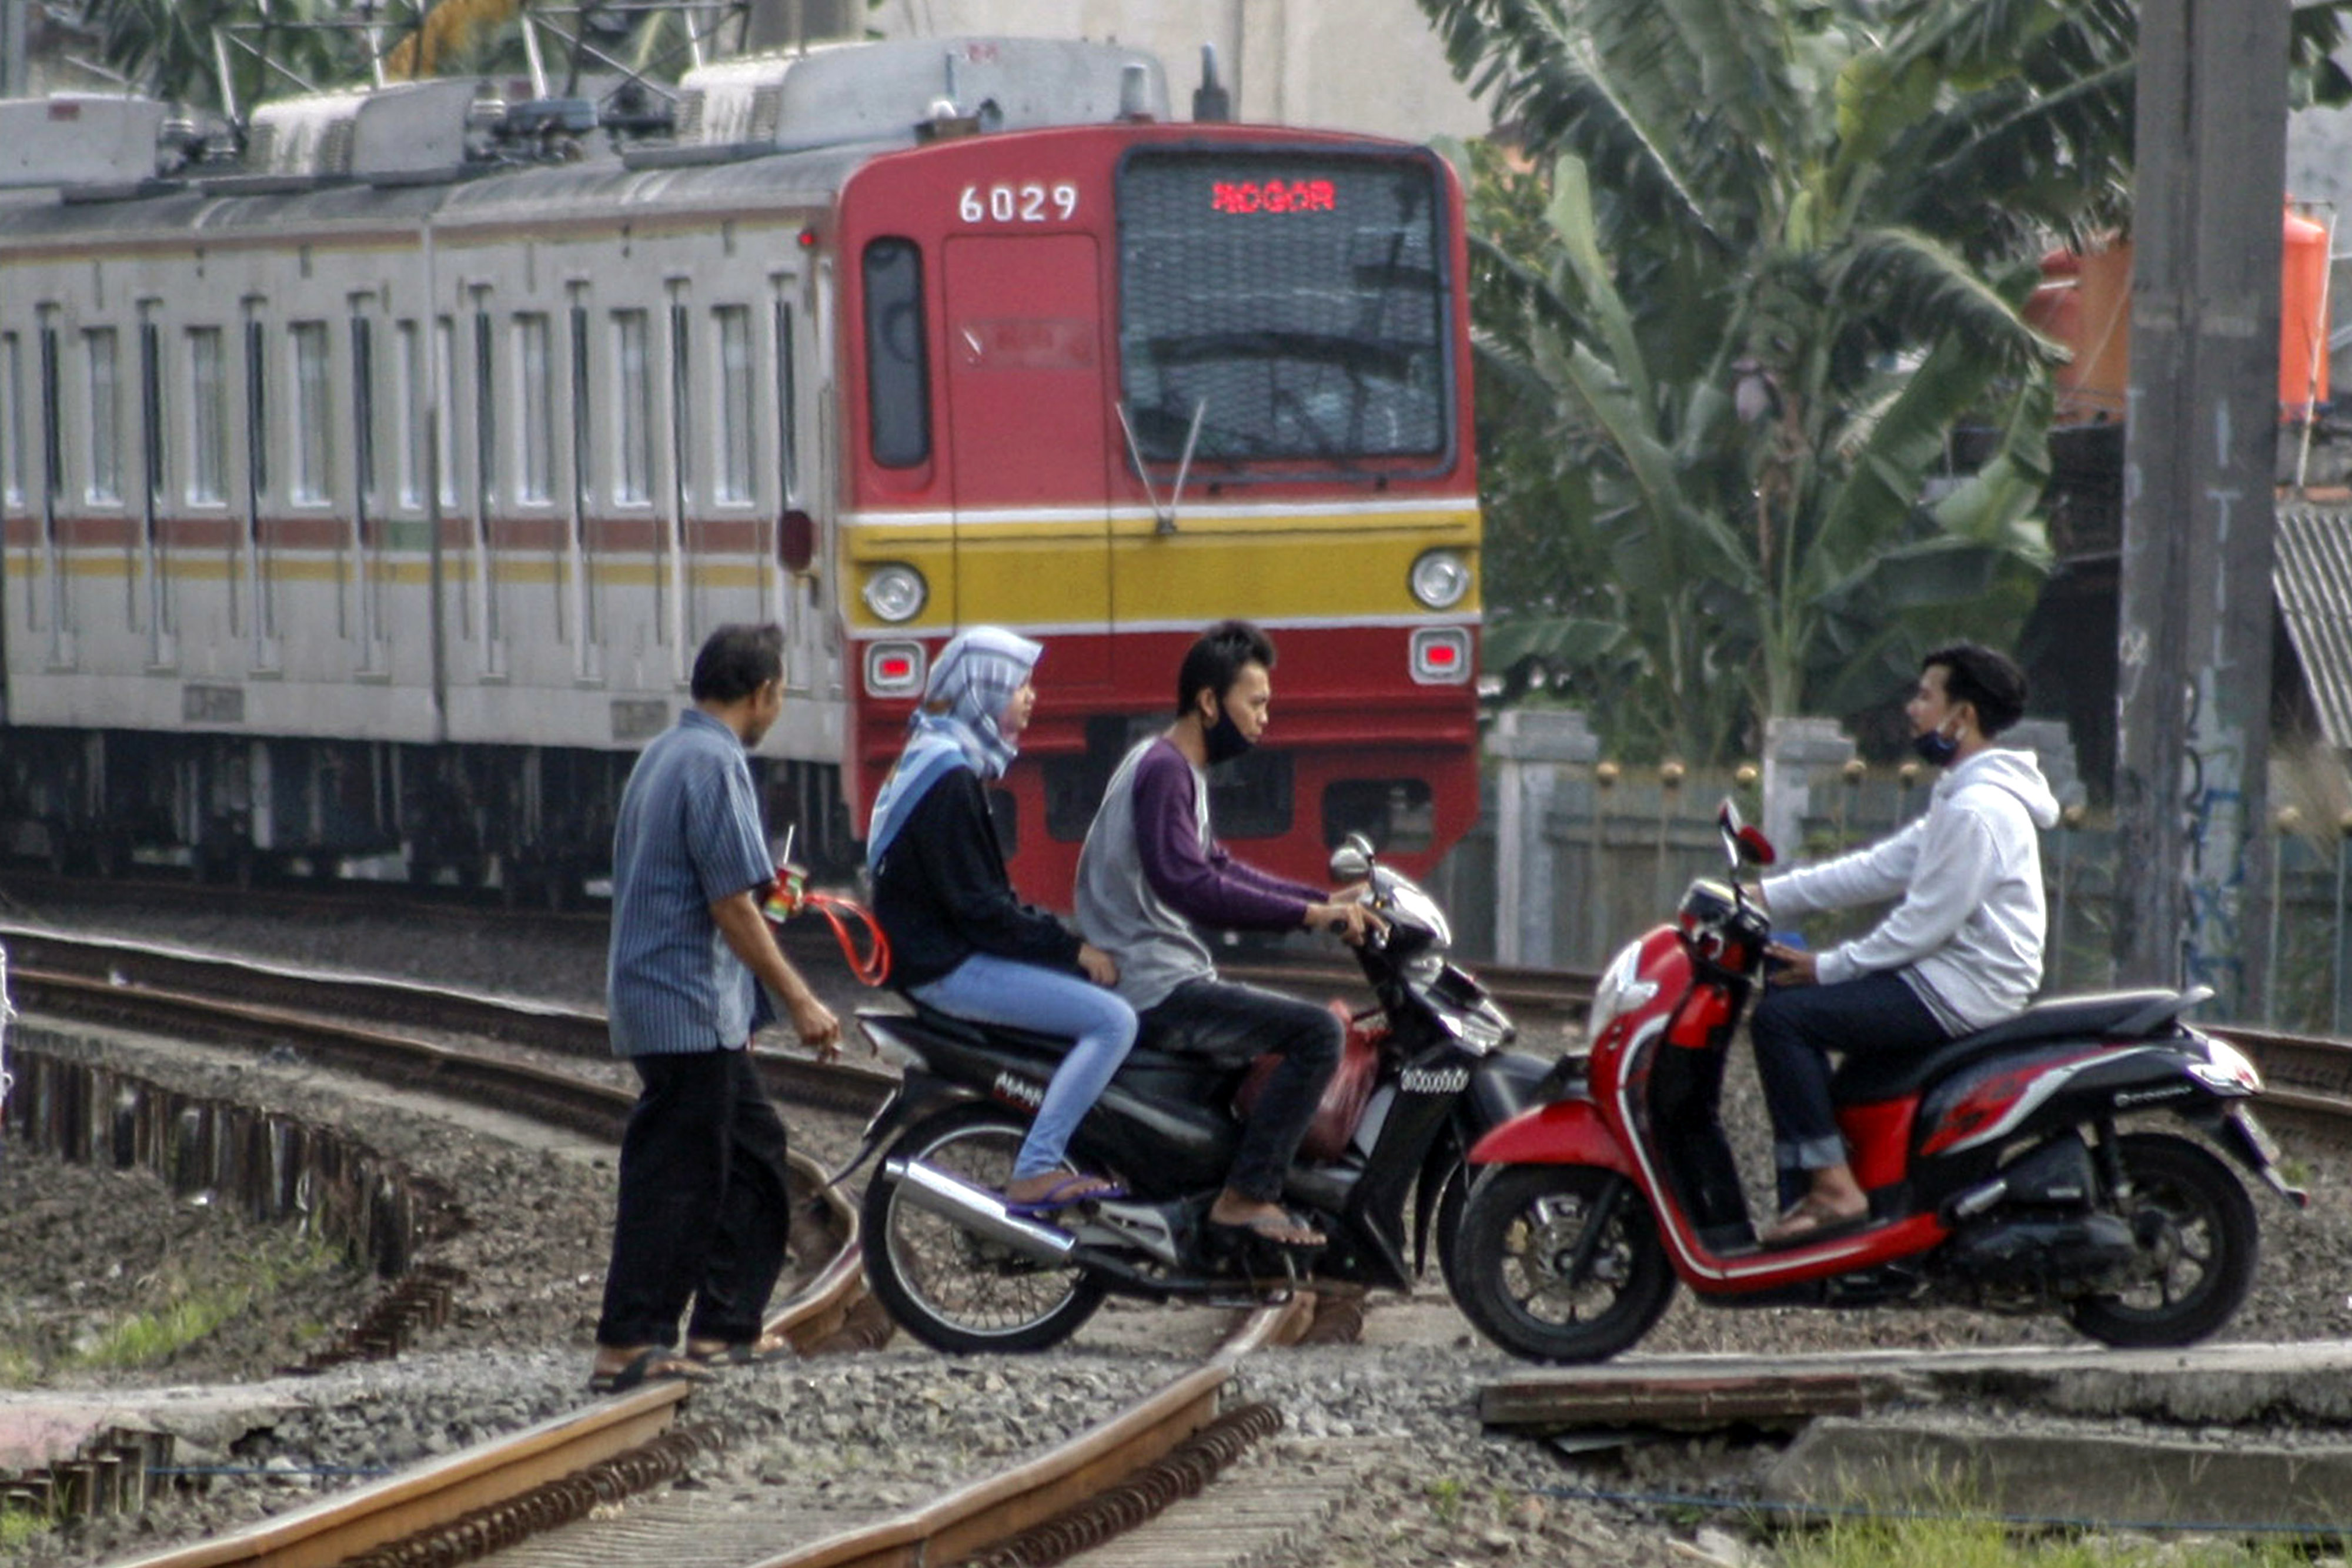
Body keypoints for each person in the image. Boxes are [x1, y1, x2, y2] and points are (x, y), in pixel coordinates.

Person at [589, 623, 843, 1395]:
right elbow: (731, 905)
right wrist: (800, 998)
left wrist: (773, 890)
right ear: (762, 691)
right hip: (685, 1002)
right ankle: (630, 1340)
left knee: (754, 1158)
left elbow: (727, 883)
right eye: (781, 694)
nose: (778, 708)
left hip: (676, 999)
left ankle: (720, 1329)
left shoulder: (668, 752)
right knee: (680, 1175)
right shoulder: (715, 761)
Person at [1075, 620, 1381, 1251]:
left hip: (1159, 972)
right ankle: (1246, 1196)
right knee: (1317, 1032)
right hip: (1153, 983)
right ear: (1210, 702)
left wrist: (1321, 901)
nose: (1265, 718)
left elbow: (1218, 868)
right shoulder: (1164, 770)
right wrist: (1309, 917)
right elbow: (1190, 885)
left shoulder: (1176, 769)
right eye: (1256, 702)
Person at [1749, 643, 2059, 1246]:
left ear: (1960, 716)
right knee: (1833, 1060)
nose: (1912, 709)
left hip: (1964, 987)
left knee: (1784, 1021)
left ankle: (1835, 1192)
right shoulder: (1960, 795)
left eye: (1924, 696)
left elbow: (1922, 925)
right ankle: (1858, 1194)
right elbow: (1878, 869)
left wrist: (1826, 968)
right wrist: (1766, 897)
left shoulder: (1978, 808)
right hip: (1946, 976)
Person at [868, 627, 1137, 1212]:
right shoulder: (949, 778)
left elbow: (983, 900)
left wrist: (1054, 936)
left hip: (937, 954)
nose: (1031, 696)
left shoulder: (932, 756)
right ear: (981, 689)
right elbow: (982, 909)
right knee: (1113, 1022)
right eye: (1018, 684)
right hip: (948, 966)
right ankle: (1038, 1167)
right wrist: (1070, 949)